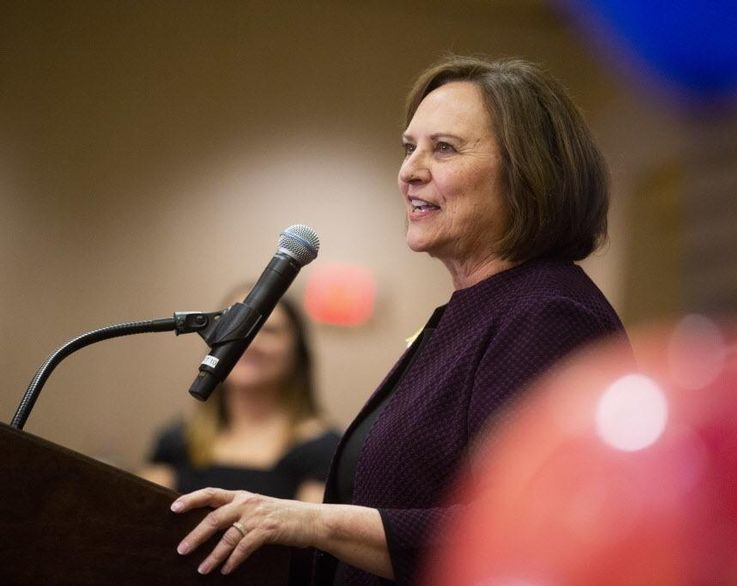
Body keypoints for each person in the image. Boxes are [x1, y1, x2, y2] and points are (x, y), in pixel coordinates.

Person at [169, 55, 629, 585]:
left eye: (444, 148)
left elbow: (519, 531)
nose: (409, 171)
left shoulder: (547, 315)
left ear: (529, 172)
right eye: (409, 148)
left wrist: (309, 522)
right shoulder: (479, 310)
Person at [141, 287, 340, 582]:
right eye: (236, 324)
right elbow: (141, 528)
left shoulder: (325, 450)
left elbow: (308, 557)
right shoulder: (176, 440)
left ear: (296, 351)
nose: (249, 340)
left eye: (268, 330)